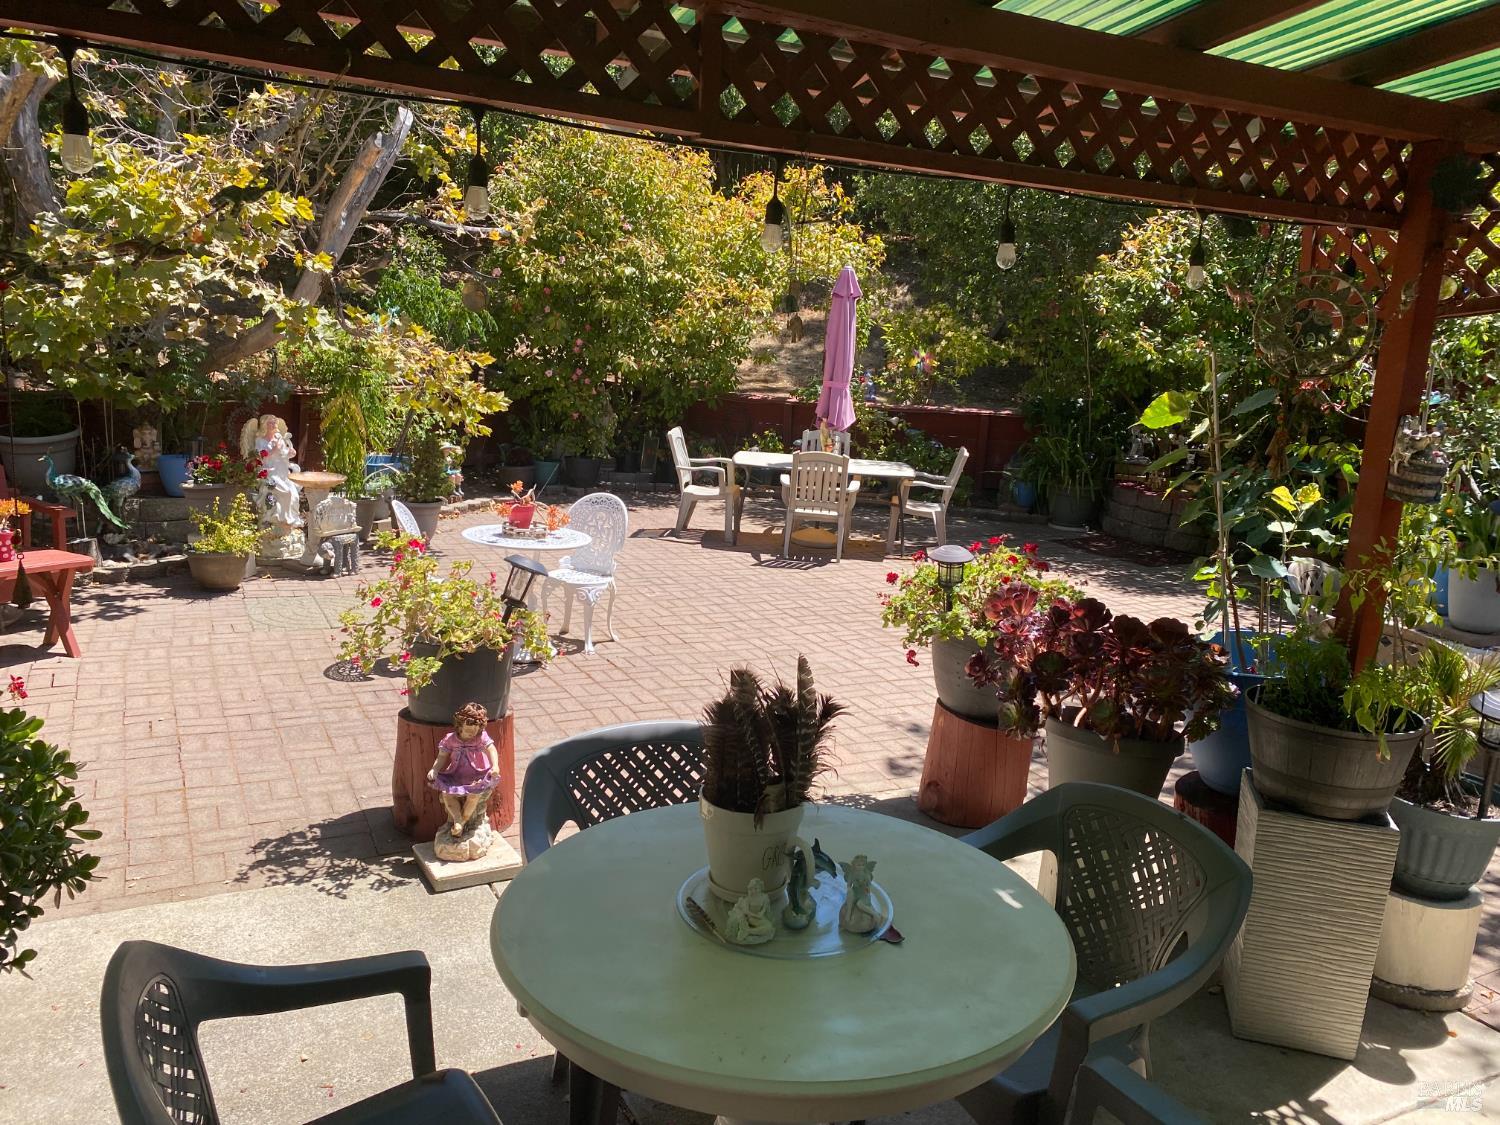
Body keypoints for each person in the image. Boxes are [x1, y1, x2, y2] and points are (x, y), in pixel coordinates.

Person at [427, 702, 499, 836]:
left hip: (478, 774)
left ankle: (464, 821)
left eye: (476, 730)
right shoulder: (450, 739)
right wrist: (435, 769)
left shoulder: (480, 737)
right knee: (447, 794)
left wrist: (495, 765)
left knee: (474, 795)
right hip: (456, 774)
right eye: (468, 730)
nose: (472, 733)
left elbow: (491, 749)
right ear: (460, 725)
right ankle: (457, 819)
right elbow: (442, 756)